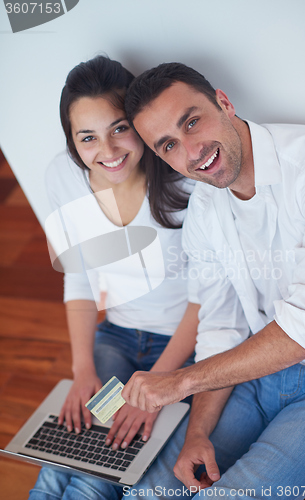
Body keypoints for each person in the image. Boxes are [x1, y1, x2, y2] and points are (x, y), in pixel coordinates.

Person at [119, 62, 305, 499]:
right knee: (149, 491)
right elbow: (221, 325)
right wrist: (197, 431)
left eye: (192, 122)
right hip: (252, 374)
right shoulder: (203, 211)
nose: (192, 152)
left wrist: (180, 381)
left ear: (224, 102)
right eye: (170, 145)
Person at [28, 57, 200, 500]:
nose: (107, 150)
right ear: (72, 142)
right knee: (61, 460)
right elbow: (79, 279)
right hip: (117, 338)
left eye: (119, 128)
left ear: (139, 124)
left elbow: (209, 299)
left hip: (181, 349)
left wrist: (159, 385)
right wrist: (81, 369)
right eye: (87, 137)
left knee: (95, 474)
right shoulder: (62, 178)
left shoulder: (185, 185)